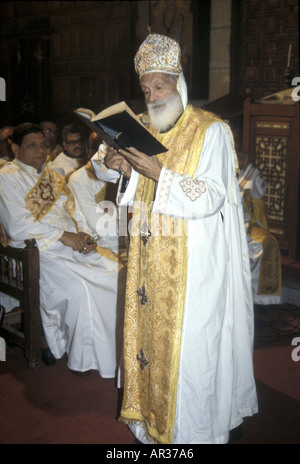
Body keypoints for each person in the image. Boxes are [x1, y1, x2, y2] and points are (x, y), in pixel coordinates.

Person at [92, 33, 258, 444]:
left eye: (159, 86)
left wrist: (157, 173)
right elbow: (108, 174)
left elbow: (214, 195)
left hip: (195, 263)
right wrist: (122, 167)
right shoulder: (144, 127)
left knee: (192, 352)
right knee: (151, 345)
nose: (151, 95)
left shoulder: (210, 131)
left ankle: (194, 433)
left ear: (177, 82)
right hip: (151, 257)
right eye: (145, 89)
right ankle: (152, 428)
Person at [0, 122, 126, 376]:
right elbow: (17, 225)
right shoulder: (6, 177)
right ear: (14, 148)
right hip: (35, 252)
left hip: (70, 244)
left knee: (116, 274)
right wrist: (62, 236)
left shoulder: (54, 177)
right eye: (31, 145)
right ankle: (85, 357)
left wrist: (84, 235)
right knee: (81, 290)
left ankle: (115, 356)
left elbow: (74, 211)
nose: (39, 151)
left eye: (43, 145)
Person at [68, 133, 127, 256]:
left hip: (129, 242)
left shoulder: (124, 174)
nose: (101, 154)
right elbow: (99, 226)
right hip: (102, 246)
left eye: (106, 148)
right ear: (88, 151)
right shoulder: (79, 179)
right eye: (96, 148)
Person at [237, 148, 282, 305]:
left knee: (267, 243)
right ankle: (248, 297)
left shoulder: (247, 173)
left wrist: (248, 168)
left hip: (246, 221)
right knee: (258, 248)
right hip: (229, 223)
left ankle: (257, 298)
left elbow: (259, 193)